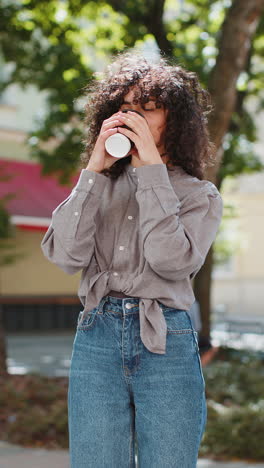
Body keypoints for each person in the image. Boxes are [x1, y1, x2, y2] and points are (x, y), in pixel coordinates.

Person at [41, 51, 223, 468]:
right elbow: (65, 255)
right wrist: (93, 170)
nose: (132, 118)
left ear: (173, 120)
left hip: (165, 339)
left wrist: (151, 172)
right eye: (125, 109)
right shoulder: (99, 184)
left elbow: (172, 263)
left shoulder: (198, 195)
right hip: (95, 336)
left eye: (147, 109)